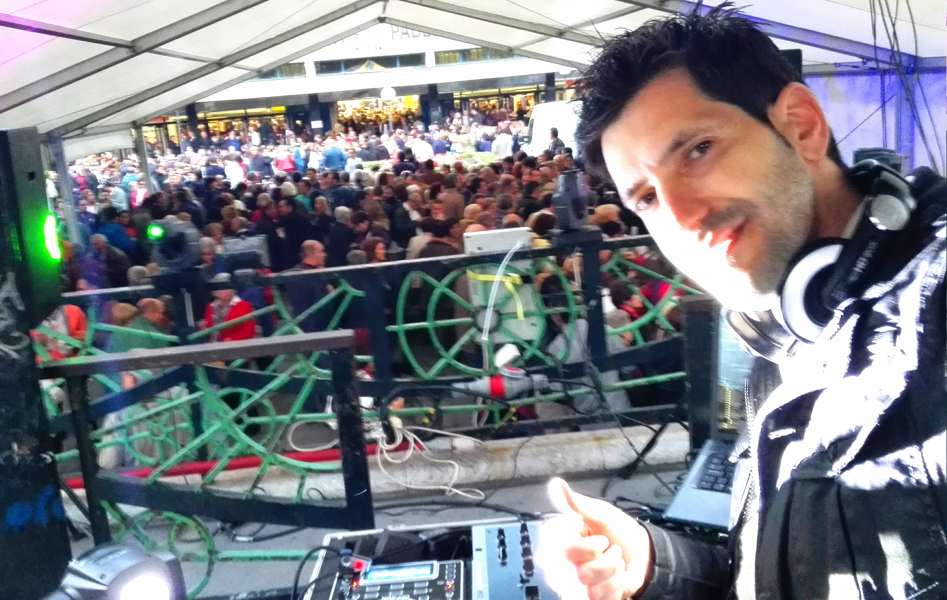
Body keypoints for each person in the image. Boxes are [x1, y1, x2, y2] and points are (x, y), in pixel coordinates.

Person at [544, 7, 946, 600]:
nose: (682, 218)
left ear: (802, 126)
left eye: (698, 150)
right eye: (648, 197)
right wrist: (651, 565)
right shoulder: (783, 333)